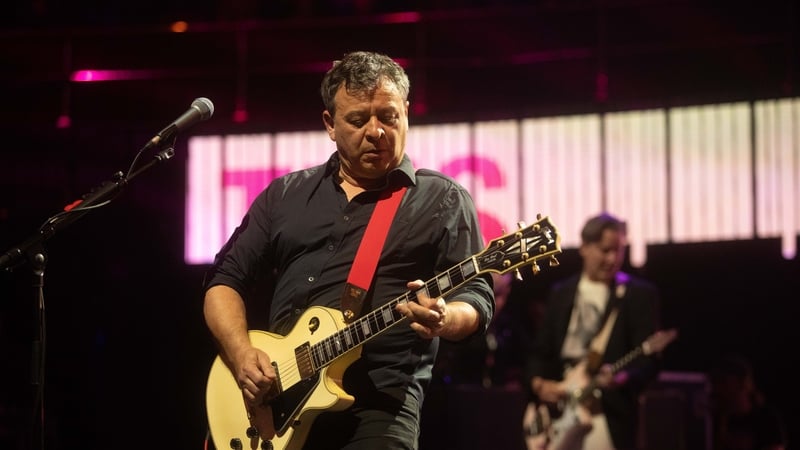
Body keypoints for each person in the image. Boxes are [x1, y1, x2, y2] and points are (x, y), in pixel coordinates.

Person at [202, 51, 495, 450]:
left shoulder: (441, 199)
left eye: (388, 116)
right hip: (275, 402)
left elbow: (476, 297)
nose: (375, 131)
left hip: (380, 409)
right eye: (358, 120)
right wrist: (240, 355)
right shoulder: (286, 195)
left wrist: (446, 317)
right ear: (330, 124)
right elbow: (224, 281)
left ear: (406, 113)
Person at [522, 212, 664, 450]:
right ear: (584, 247)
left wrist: (623, 377)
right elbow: (540, 351)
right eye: (605, 250)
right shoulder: (561, 293)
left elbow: (649, 362)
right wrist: (538, 384)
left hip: (605, 413)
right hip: (560, 412)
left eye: (618, 251)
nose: (613, 259)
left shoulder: (637, 295)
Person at [709, 352, 787, 450]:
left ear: (742, 383)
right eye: (714, 382)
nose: (716, 388)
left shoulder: (766, 418)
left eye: (723, 382)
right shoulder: (712, 419)